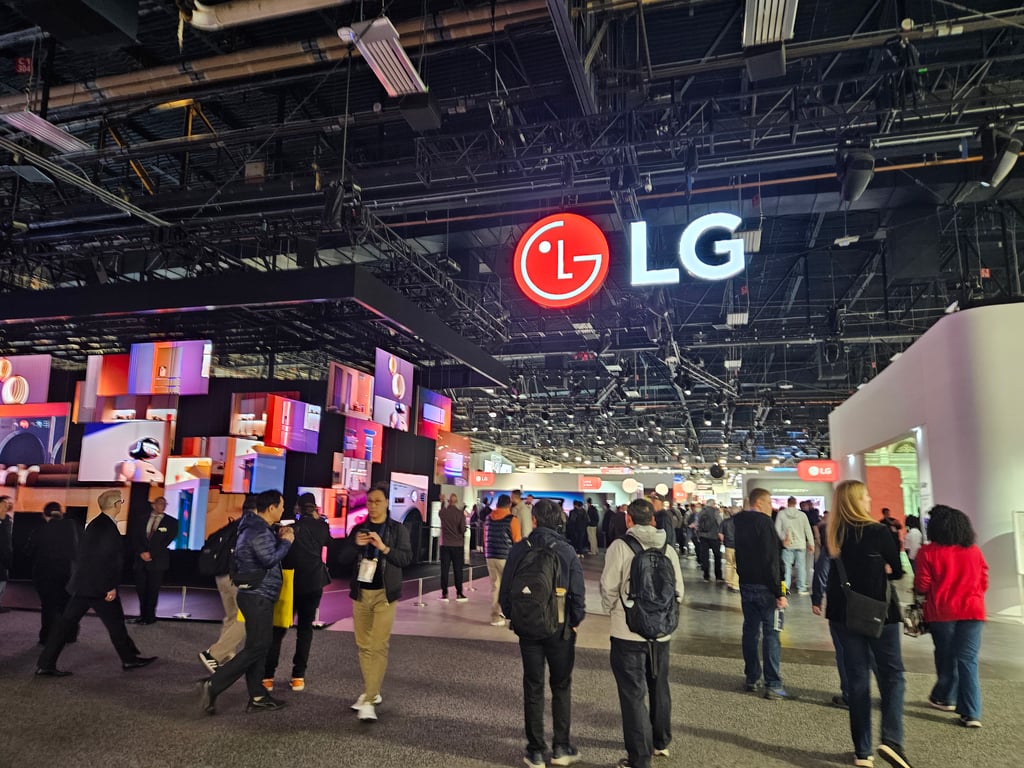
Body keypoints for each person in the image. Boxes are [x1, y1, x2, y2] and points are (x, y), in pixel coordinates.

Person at [825, 480, 913, 768]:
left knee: (858, 679)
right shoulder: (877, 531)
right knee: (892, 675)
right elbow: (897, 570)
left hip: (843, 612)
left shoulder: (833, 534)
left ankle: (863, 752)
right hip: (879, 612)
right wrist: (881, 569)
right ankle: (892, 740)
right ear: (855, 501)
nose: (869, 499)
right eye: (865, 496)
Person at [500, 499, 586, 768]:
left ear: (534, 520)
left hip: (528, 628)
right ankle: (561, 747)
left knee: (533, 686)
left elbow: (505, 591)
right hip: (560, 628)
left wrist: (515, 617)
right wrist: (574, 620)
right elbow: (578, 592)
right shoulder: (566, 550)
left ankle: (536, 750)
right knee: (561, 686)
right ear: (559, 521)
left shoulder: (519, 549)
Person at [600, 498, 684, 768]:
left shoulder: (620, 546)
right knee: (660, 686)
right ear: (653, 520)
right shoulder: (667, 548)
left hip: (627, 632)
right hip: (661, 633)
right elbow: (679, 591)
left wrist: (612, 610)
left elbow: (608, 586)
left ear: (628, 519)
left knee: (633, 694)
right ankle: (661, 742)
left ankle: (639, 758)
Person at [36, 490, 157, 676]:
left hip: (85, 586)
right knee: (114, 624)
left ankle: (46, 664)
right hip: (98, 587)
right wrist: (109, 586)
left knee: (67, 625)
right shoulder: (105, 526)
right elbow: (104, 559)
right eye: (120, 501)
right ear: (115, 504)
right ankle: (129, 659)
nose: (122, 504)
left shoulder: (97, 524)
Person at [199, 489, 293, 715]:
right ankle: (214, 684)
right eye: (281, 506)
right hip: (258, 596)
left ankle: (258, 696)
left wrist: (278, 536)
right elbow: (269, 559)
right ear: (271, 508)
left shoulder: (255, 527)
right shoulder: (258, 530)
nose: (283, 510)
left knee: (257, 646)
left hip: (256, 595)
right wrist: (286, 542)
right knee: (258, 647)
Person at [338, 485, 413, 721]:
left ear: (387, 503)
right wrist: (355, 545)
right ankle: (373, 690)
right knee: (363, 646)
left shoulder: (397, 529)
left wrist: (383, 547)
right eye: (369, 501)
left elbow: (405, 558)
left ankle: (369, 699)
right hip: (361, 593)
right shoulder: (359, 529)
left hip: (384, 594)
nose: (372, 506)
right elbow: (342, 559)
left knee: (378, 645)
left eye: (378, 501)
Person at [914, 504, 988, 728]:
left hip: (943, 612)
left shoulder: (928, 552)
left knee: (946, 655)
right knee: (968, 660)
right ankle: (972, 712)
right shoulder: (973, 551)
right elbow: (984, 580)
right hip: (973, 610)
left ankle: (946, 697)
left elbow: (922, 584)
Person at [262, 492, 330, 693]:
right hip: (313, 583)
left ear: (298, 508)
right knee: (305, 630)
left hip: (289, 583)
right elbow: (329, 543)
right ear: (315, 507)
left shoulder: (288, 528)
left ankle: (267, 677)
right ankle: (298, 677)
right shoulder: (322, 527)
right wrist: (318, 520)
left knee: (278, 629)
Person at [733, 487, 787, 698]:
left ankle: (752, 677)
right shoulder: (764, 523)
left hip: (746, 583)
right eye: (769, 502)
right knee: (771, 634)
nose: (772, 507)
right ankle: (773, 683)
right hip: (766, 587)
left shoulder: (738, 521)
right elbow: (770, 559)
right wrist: (780, 591)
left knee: (750, 630)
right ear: (759, 503)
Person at [198, 497, 250, 674]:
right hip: (237, 578)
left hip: (221, 576)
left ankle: (226, 654)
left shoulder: (231, 526)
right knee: (245, 619)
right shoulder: (250, 528)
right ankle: (214, 655)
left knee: (232, 616)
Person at [26, 501, 80, 645]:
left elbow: (29, 551)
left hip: (45, 573)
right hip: (68, 572)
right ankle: (70, 635)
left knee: (48, 606)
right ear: (60, 513)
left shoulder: (40, 529)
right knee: (67, 605)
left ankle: (46, 637)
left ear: (44, 515)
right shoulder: (73, 527)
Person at [130, 496, 178, 624]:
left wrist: (151, 553)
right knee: (141, 589)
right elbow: (134, 538)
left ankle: (150, 617)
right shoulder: (141, 519)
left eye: (165, 504)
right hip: (140, 561)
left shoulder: (171, 522)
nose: (163, 506)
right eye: (160, 503)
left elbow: (166, 541)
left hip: (157, 561)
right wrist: (141, 552)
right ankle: (142, 615)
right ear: (153, 505)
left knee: (153, 590)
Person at [484, 494, 515, 626]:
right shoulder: (512, 519)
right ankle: (513, 615)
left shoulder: (488, 518)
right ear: (509, 505)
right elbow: (517, 540)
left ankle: (495, 617)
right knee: (511, 586)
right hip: (506, 557)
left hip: (490, 556)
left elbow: (485, 537)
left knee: (495, 586)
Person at [775, 496, 814, 595]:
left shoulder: (781, 514)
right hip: (800, 544)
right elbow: (807, 529)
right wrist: (811, 543)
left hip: (787, 544)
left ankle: (785, 589)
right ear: (795, 503)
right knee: (801, 567)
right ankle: (801, 588)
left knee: (786, 567)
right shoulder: (802, 515)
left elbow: (777, 530)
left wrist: (783, 538)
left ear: (787, 503)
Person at [438, 493, 468, 602]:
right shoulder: (460, 514)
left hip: (445, 544)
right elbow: (462, 529)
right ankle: (459, 593)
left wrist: (442, 502)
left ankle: (444, 593)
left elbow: (441, 512)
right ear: (456, 501)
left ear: (449, 501)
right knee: (458, 570)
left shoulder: (443, 513)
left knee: (444, 570)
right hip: (457, 545)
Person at [696, 500, 722, 582]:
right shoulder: (715, 512)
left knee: (705, 556)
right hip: (714, 537)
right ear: (713, 504)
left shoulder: (701, 512)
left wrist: (698, 534)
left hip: (703, 536)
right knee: (717, 556)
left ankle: (706, 576)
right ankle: (718, 576)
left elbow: (697, 523)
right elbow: (720, 523)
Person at [719, 507, 738, 592]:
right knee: (736, 566)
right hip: (738, 546)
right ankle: (735, 584)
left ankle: (728, 582)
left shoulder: (725, 521)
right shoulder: (742, 522)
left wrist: (724, 541)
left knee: (728, 564)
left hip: (728, 546)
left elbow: (720, 534)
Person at [0, 496, 12, 610]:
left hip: (4, 555)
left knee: (3, 580)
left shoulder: (7, 520)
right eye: (4, 504)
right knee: (2, 580)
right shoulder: (5, 521)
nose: (6, 506)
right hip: (2, 554)